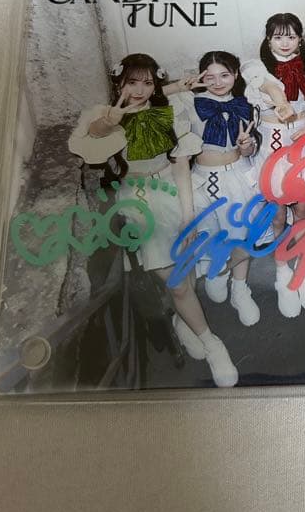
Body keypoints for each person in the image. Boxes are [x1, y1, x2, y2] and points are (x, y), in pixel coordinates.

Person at [68, 54, 238, 387]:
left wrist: (189, 216)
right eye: (131, 82)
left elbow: (180, 165)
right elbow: (90, 137)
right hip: (138, 201)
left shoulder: (167, 110)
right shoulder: (106, 116)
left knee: (188, 266)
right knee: (175, 281)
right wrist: (110, 121)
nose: (139, 90)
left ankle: (184, 321)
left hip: (174, 190)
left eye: (147, 83)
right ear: (118, 82)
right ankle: (212, 343)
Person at [170, 51, 262, 327]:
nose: (218, 82)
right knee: (211, 231)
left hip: (238, 174)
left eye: (224, 75)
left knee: (242, 234)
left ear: (236, 75)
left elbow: (249, 150)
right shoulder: (189, 102)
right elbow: (153, 100)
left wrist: (246, 146)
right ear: (200, 77)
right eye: (210, 77)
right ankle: (218, 270)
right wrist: (179, 87)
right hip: (203, 178)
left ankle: (240, 288)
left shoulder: (245, 103)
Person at [241, 13, 305, 317]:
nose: (285, 43)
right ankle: (282, 271)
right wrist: (282, 101)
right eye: (278, 37)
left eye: (291, 36)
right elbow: (268, 86)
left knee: (302, 210)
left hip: (301, 142)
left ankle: (304, 269)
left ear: (300, 39)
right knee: (276, 214)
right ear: (268, 39)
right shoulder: (255, 67)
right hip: (272, 144)